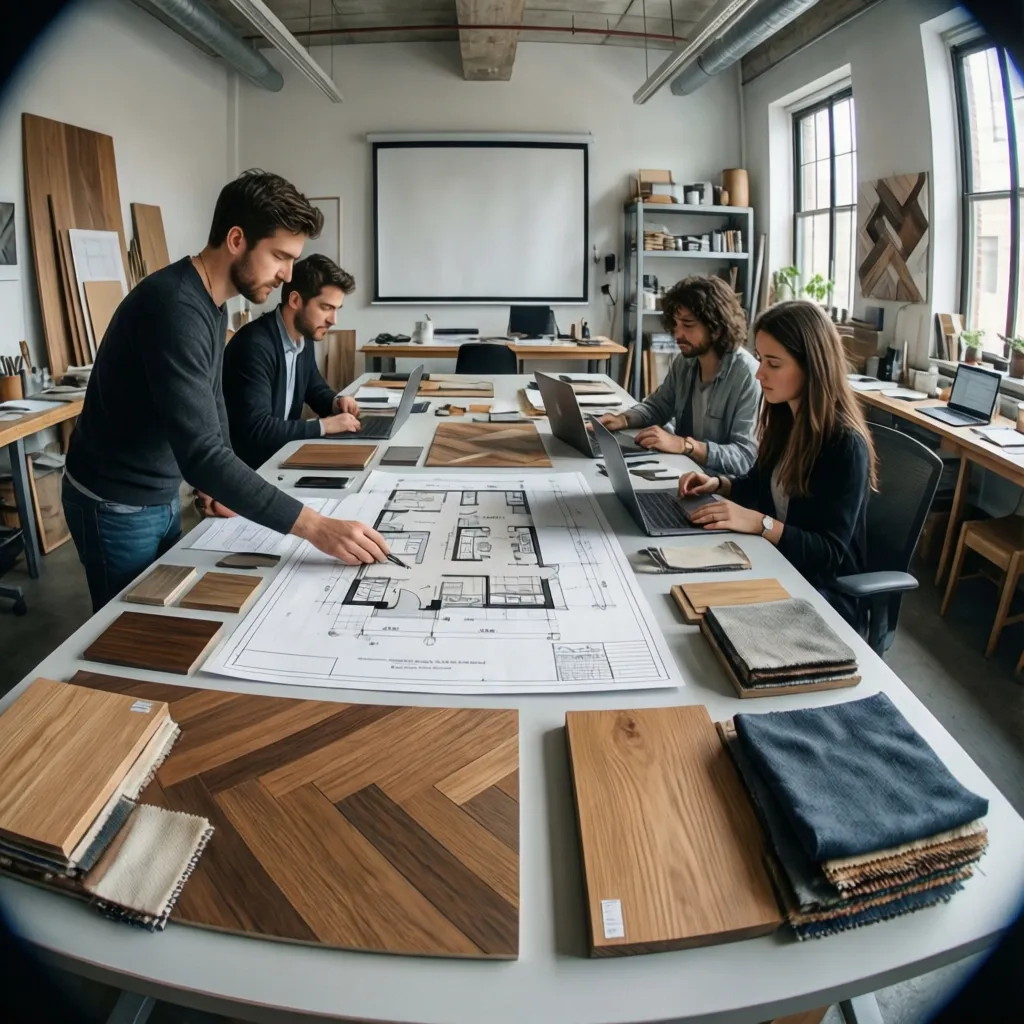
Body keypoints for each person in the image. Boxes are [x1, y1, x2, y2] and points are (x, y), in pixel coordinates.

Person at [62, 169, 389, 612]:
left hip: (158, 492)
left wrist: (218, 480)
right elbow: (201, 450)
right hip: (114, 501)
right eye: (279, 256)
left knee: (160, 611)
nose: (287, 274)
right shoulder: (175, 308)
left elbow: (210, 402)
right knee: (127, 629)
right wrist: (317, 527)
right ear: (237, 239)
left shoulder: (211, 305)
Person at [678, 300, 877, 622]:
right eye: (760, 359)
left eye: (773, 363)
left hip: (820, 590)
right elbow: (758, 485)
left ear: (811, 366)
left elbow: (828, 553)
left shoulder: (845, 445)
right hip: (775, 561)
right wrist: (719, 484)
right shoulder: (785, 419)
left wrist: (760, 523)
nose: (759, 373)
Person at [598, 275, 759, 476]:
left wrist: (686, 445)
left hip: (720, 491)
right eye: (675, 324)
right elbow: (658, 406)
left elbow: (745, 458)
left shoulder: (748, 375)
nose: (677, 334)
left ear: (716, 328)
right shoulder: (685, 362)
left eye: (688, 325)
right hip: (683, 474)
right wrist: (623, 419)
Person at [223, 254, 362, 469]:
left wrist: (336, 402)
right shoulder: (254, 346)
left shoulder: (302, 336)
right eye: (326, 307)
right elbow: (258, 429)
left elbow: (314, 388)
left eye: (336, 309)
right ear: (295, 301)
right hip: (252, 469)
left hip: (282, 455)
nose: (333, 320)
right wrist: (323, 426)